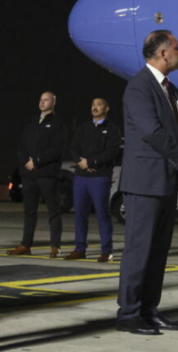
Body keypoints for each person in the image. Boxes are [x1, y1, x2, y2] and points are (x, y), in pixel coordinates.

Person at [116, 30, 178, 335]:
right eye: (177, 47)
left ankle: (149, 310)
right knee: (139, 250)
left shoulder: (171, 89)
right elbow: (151, 130)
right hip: (144, 182)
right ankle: (128, 314)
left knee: (158, 251)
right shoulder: (139, 86)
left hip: (165, 180)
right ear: (163, 53)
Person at [7, 92, 66, 258]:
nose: (42, 102)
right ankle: (25, 245)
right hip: (29, 175)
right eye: (40, 99)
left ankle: (55, 246)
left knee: (53, 211)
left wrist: (38, 161)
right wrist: (26, 162)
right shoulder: (31, 124)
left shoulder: (58, 124)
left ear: (53, 103)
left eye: (46, 99)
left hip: (47, 174)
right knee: (29, 211)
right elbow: (21, 146)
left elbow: (57, 149)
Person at [64, 97, 122, 262]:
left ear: (107, 108)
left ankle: (106, 251)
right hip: (81, 177)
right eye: (93, 105)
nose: (95, 107)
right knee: (80, 214)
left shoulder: (112, 130)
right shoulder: (83, 128)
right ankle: (80, 248)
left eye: (99, 104)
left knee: (102, 214)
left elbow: (111, 153)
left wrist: (90, 162)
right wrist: (80, 163)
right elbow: (73, 148)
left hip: (100, 177)